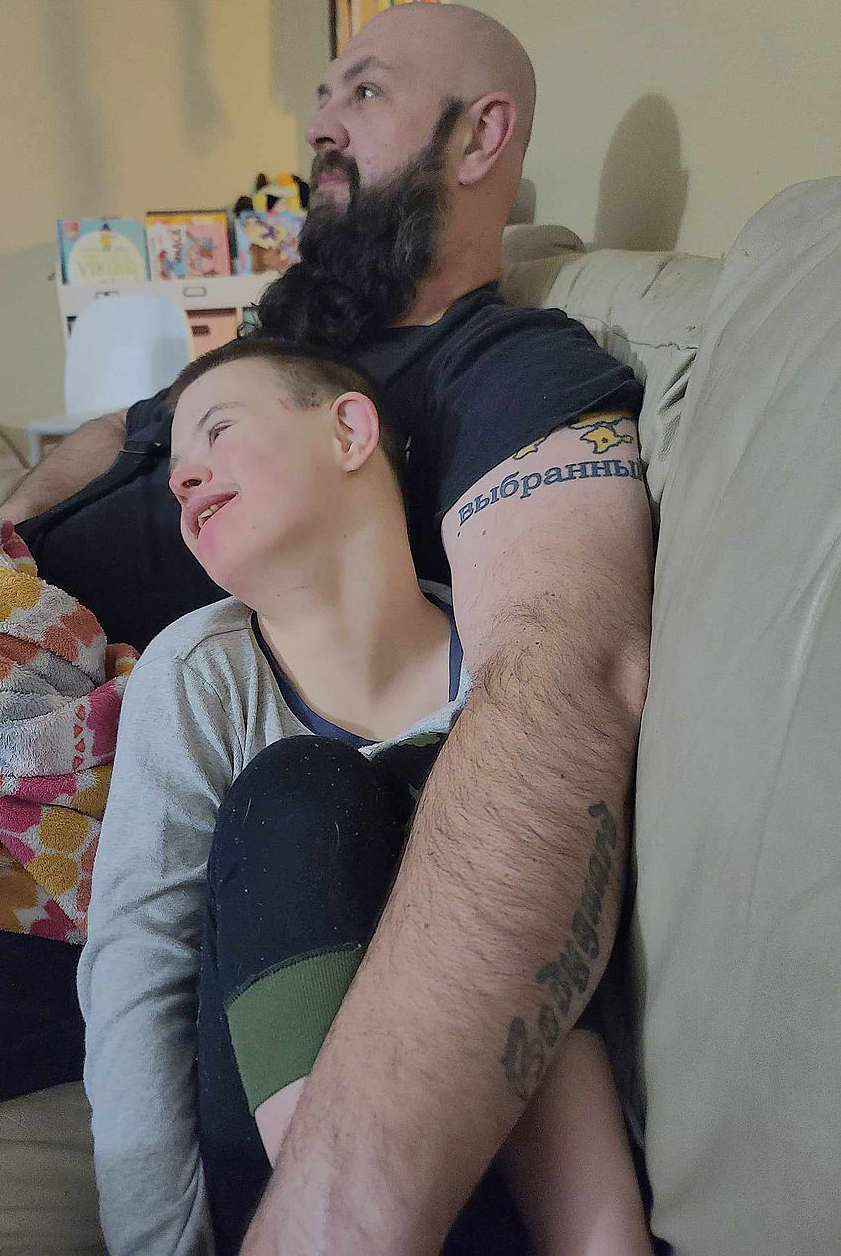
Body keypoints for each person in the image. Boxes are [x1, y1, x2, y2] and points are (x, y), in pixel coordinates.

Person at [0, 0, 652, 1250]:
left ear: (477, 134)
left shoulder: (502, 367)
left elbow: (559, 675)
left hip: (54, 823)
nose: (316, 123)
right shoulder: (283, 339)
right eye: (321, 96)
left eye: (363, 92)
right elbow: (110, 435)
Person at [78, 335, 653, 1255]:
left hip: (508, 1174)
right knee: (302, 786)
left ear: (349, 429)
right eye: (176, 469)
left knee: (495, 820)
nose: (185, 480)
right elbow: (138, 965)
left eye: (218, 433)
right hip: (280, 1184)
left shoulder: (502, 654)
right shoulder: (197, 674)